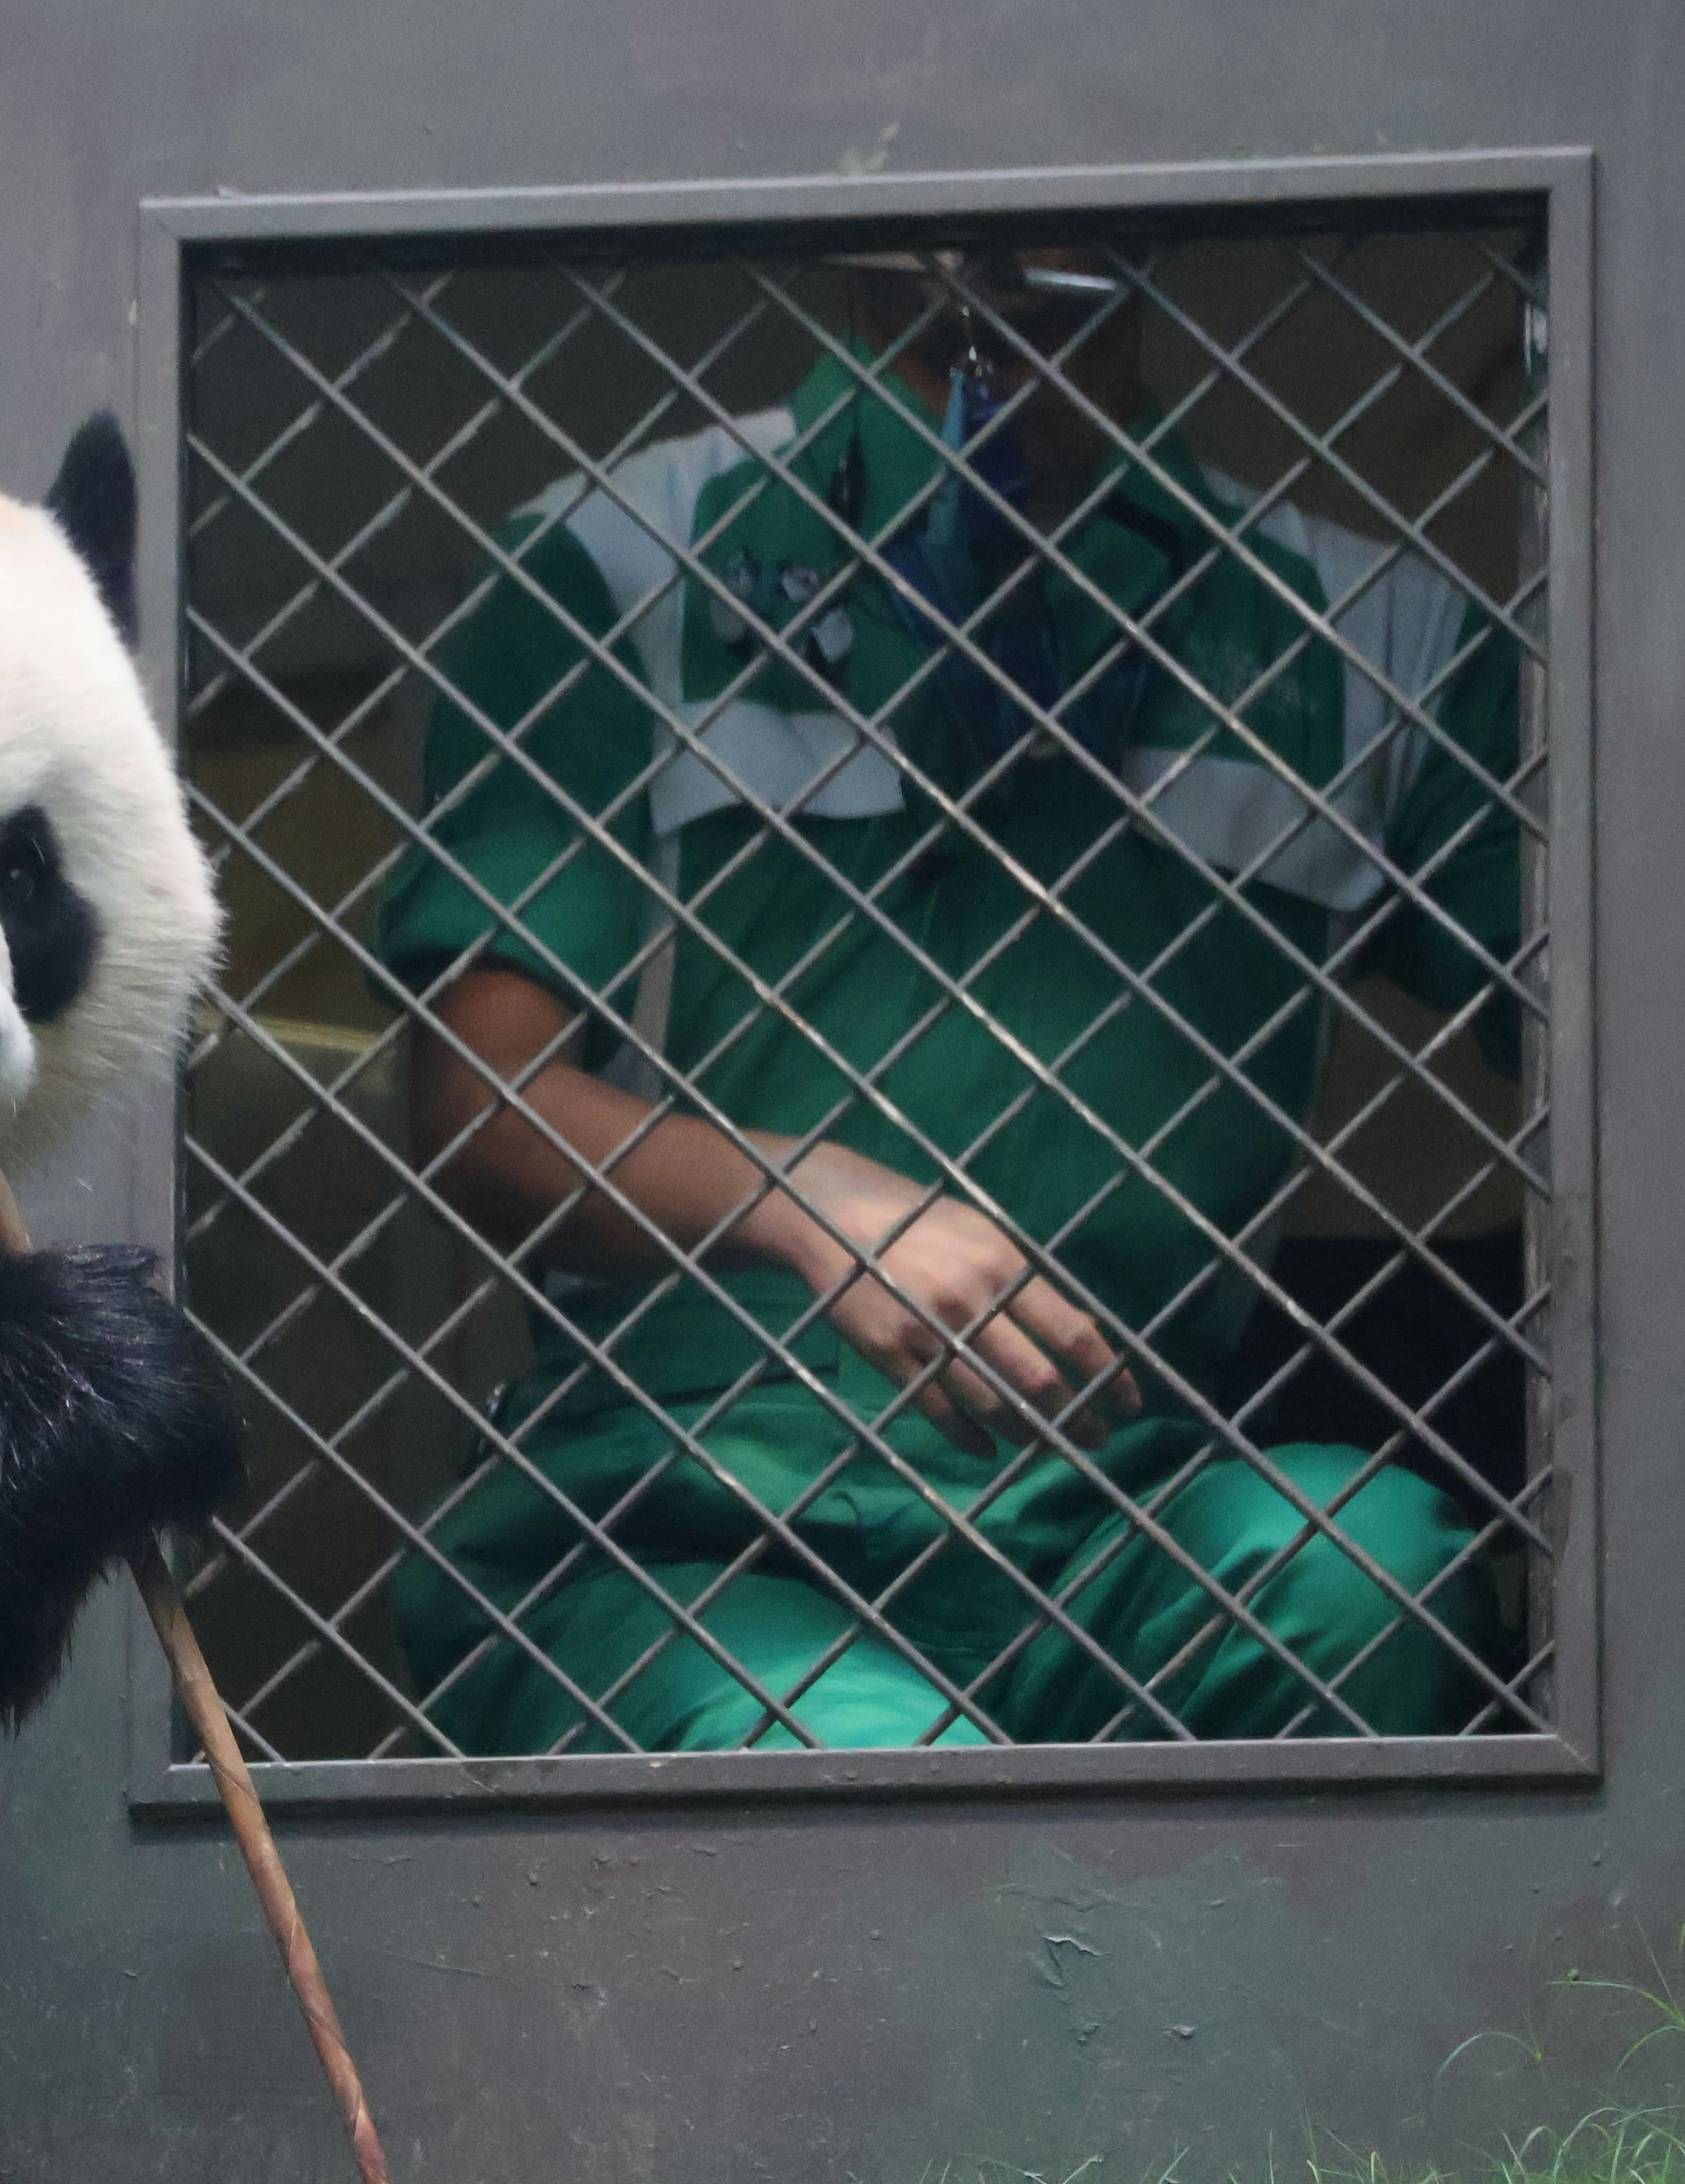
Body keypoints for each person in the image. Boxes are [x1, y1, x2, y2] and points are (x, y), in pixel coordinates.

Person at [375, 247, 1522, 1754]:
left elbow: (1672, 1031)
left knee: (1365, 1566)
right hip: (686, 1512)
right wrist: (810, 1198)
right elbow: (476, 1098)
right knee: (853, 1766)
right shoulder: (626, 558)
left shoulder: (1373, 636)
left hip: (1116, 1499)